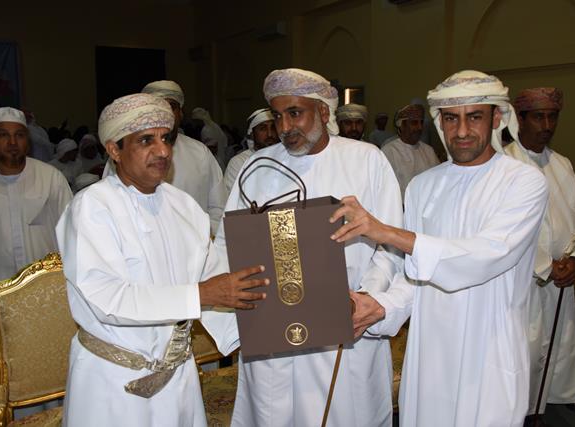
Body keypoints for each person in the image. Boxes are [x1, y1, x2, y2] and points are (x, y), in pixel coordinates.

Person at [330, 70, 549, 427]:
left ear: (496, 118)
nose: (461, 131)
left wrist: (386, 232)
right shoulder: (422, 186)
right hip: (429, 351)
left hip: (489, 348)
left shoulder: (523, 182)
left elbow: (484, 256)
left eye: (474, 117)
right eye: (451, 119)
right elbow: (416, 275)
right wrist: (382, 306)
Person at [57, 93, 268, 426]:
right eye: (146, 140)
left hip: (178, 376)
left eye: (166, 138)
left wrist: (269, 326)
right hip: (113, 383)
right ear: (114, 149)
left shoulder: (184, 206)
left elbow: (217, 282)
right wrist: (201, 295)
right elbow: (106, 300)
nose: (163, 151)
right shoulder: (92, 207)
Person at [214, 68, 403, 426]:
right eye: (277, 116)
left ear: (323, 112)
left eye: (295, 113)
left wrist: (364, 298)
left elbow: (390, 245)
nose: (284, 127)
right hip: (273, 331)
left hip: (346, 323)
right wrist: (243, 311)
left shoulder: (367, 160)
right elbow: (228, 244)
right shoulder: (257, 166)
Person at [0, 106, 72, 409]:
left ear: (27, 140)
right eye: (3, 135)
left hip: (49, 300)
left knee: (54, 373)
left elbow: (72, 237)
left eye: (19, 135)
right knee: (3, 377)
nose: (12, 142)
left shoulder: (50, 178)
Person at [505, 88, 575, 424]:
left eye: (552, 117)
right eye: (538, 117)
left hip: (561, 275)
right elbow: (507, 228)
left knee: (558, 343)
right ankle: (520, 411)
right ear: (520, 119)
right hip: (524, 279)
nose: (547, 125)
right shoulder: (506, 164)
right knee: (525, 349)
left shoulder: (562, 164)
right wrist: (545, 264)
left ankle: (540, 406)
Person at [104, 80, 227, 234]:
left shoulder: (200, 152)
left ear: (180, 113)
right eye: (157, 107)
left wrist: (203, 238)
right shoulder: (123, 156)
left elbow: (219, 208)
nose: (164, 112)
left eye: (171, 106)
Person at [381, 104, 440, 197]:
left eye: (421, 122)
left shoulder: (428, 151)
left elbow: (438, 181)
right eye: (414, 123)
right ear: (401, 125)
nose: (420, 127)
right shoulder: (389, 151)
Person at [223, 108, 278, 194]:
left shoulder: (287, 157)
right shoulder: (239, 162)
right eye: (263, 128)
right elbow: (231, 197)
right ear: (252, 134)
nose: (270, 134)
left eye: (273, 128)